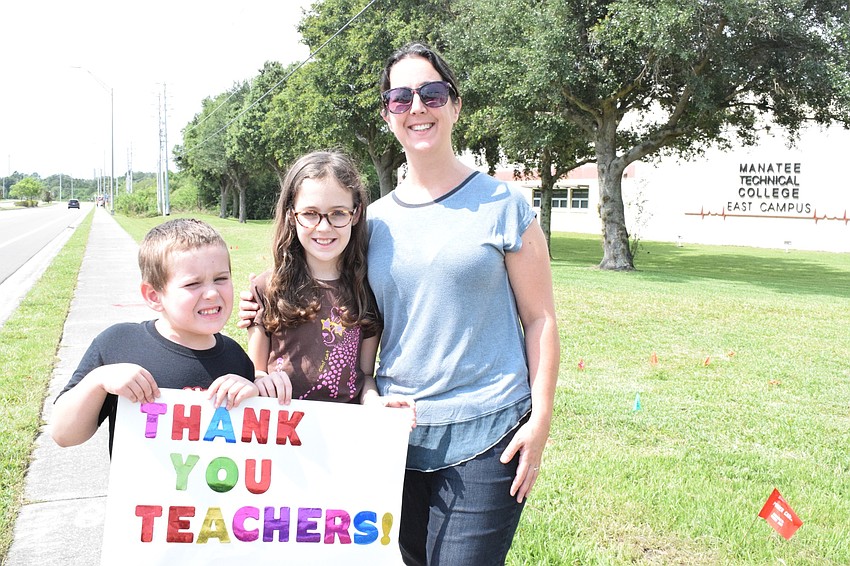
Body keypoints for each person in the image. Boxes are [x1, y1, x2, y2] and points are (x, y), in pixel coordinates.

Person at [240, 43, 560, 565]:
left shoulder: (505, 206)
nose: (417, 107)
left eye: (431, 93)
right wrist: (262, 300)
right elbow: (327, 289)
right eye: (400, 97)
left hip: (490, 429)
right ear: (387, 114)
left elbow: (540, 317)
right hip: (394, 432)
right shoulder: (372, 222)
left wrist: (540, 419)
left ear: (455, 105)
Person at [51, 218, 258, 455]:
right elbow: (63, 434)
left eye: (221, 279)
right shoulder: (119, 344)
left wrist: (254, 397)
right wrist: (98, 381)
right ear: (153, 296)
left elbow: (250, 445)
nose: (211, 293)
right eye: (193, 284)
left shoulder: (236, 358)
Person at [246, 150, 414, 419]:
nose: (324, 228)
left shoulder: (366, 289)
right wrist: (259, 379)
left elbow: (365, 377)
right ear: (291, 214)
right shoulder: (266, 288)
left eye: (338, 213)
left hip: (342, 435)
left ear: (356, 213)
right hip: (282, 434)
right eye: (310, 214)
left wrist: (373, 401)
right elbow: (257, 372)